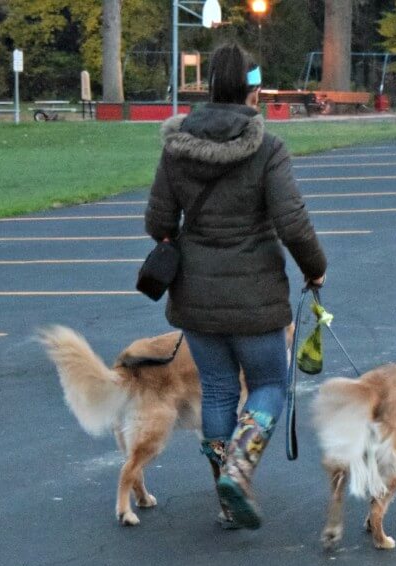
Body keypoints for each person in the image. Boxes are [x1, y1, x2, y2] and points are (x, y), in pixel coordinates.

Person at [144, 43, 327, 530]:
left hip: (196, 297)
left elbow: (159, 221)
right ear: (253, 89)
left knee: (221, 390)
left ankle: (226, 496)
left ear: (208, 87)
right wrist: (315, 267)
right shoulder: (268, 149)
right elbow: (292, 221)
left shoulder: (176, 147)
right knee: (269, 383)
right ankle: (240, 470)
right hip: (255, 297)